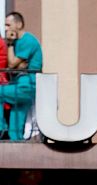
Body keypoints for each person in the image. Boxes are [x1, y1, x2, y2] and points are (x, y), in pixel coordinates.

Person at [0, 12, 43, 141]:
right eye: (5, 25)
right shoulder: (18, 41)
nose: (6, 28)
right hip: (21, 84)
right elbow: (12, 66)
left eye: (8, 25)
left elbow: (12, 64)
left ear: (18, 24)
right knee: (15, 127)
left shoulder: (27, 40)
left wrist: (10, 44)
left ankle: (0, 127)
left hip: (27, 85)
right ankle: (15, 140)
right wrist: (16, 66)